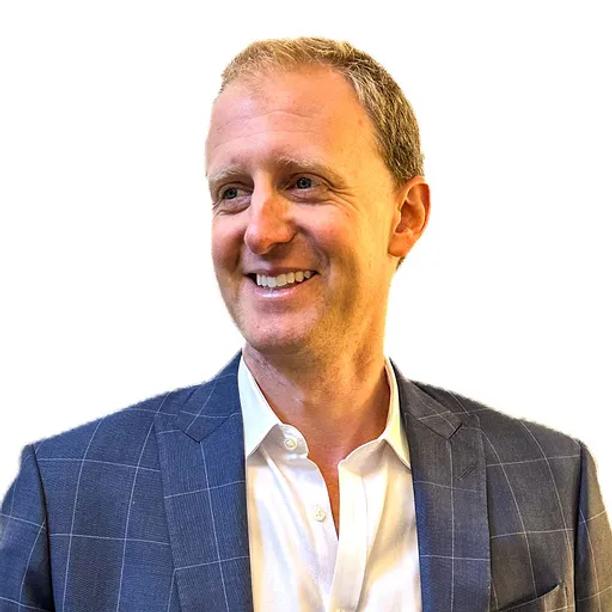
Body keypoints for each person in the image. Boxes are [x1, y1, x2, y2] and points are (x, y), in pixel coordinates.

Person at [1, 36, 610, 612]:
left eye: (303, 183)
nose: (261, 232)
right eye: (233, 191)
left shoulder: (554, 482)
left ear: (405, 216)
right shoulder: (67, 498)